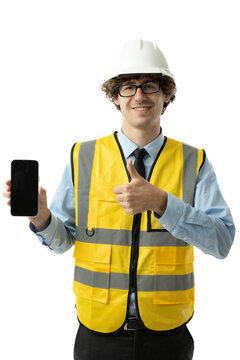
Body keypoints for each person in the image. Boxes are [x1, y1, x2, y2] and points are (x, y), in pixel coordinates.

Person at [4, 39, 235, 360]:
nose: (139, 95)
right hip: (97, 335)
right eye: (128, 87)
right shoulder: (83, 156)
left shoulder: (194, 161)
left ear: (166, 94)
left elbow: (222, 242)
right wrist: (41, 217)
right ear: (115, 96)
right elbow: (61, 242)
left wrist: (163, 203)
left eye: (150, 86)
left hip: (168, 337)